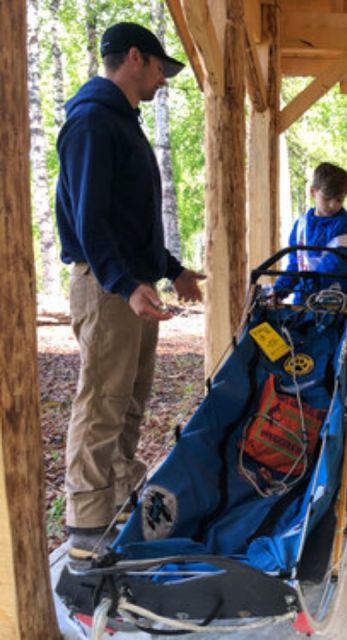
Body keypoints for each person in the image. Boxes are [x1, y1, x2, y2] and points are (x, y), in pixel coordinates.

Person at [55, 22, 204, 559]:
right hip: (106, 287)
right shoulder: (93, 121)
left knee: (129, 402)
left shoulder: (121, 123)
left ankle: (117, 505)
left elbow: (128, 221)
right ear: (135, 57)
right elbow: (89, 221)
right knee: (101, 402)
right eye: (161, 68)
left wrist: (171, 269)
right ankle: (86, 527)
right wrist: (123, 283)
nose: (163, 80)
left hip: (131, 285)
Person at [273, 162, 347, 300]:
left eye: (339, 200)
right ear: (313, 192)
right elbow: (295, 264)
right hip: (304, 300)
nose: (333, 205)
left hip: (338, 302)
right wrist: (280, 290)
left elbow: (336, 264)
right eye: (327, 198)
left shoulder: (345, 224)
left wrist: (309, 285)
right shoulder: (300, 226)